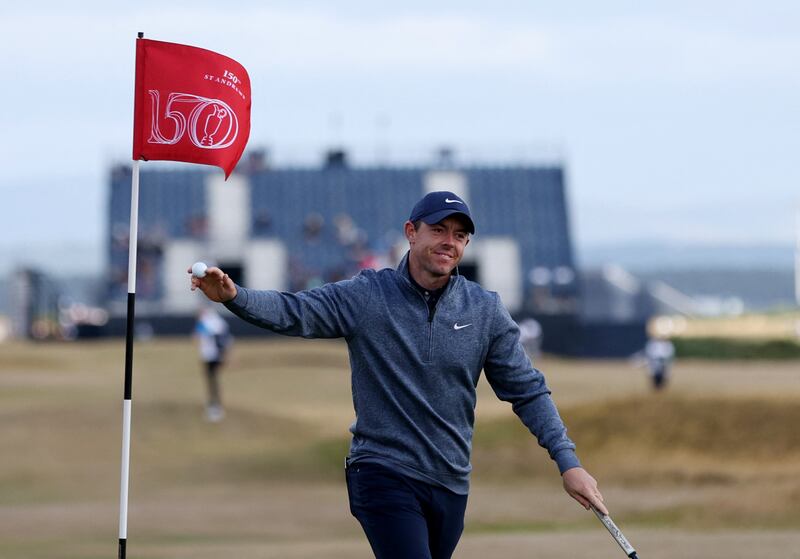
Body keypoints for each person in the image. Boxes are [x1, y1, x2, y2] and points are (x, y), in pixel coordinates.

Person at [189, 190, 607, 558]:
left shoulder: (485, 310)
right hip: (382, 471)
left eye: (460, 235)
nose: (450, 242)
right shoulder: (367, 295)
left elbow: (527, 391)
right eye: (439, 230)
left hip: (450, 482)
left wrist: (568, 462)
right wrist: (234, 296)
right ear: (411, 232)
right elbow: (294, 311)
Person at [194, 307, 232, 422]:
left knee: (213, 381)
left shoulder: (208, 322)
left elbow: (197, 335)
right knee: (212, 380)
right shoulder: (217, 322)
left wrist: (223, 355)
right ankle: (214, 405)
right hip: (212, 355)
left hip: (212, 356)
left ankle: (215, 407)